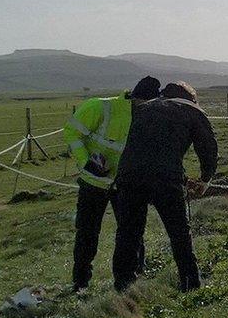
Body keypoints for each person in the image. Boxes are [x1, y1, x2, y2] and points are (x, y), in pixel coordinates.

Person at [112, 81, 218, 292]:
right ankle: (190, 283)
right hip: (166, 177)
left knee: (128, 232)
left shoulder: (143, 109)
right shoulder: (192, 111)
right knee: (179, 232)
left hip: (129, 175)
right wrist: (206, 179)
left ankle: (124, 286)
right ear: (191, 98)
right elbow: (208, 147)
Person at [63, 76, 161, 291]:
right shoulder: (99, 107)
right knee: (87, 232)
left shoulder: (150, 116)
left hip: (126, 184)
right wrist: (86, 162)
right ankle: (80, 283)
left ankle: (132, 279)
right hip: (93, 182)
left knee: (131, 232)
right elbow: (72, 132)